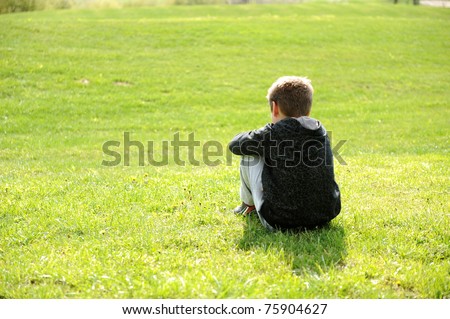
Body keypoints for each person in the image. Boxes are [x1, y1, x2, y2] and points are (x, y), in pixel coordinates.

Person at [228, 76, 341, 231]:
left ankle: (248, 207)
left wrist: (264, 131)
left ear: (275, 107)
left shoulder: (273, 133)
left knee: (250, 152)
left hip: (279, 221)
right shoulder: (319, 130)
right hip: (324, 217)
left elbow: (235, 145)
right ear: (308, 109)